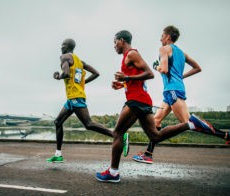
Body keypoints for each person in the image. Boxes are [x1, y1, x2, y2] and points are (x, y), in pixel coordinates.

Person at [96, 30, 215, 183]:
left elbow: (150, 74)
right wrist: (122, 84)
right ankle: (189, 124)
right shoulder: (128, 57)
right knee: (155, 136)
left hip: (136, 101)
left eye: (115, 43)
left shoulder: (132, 54)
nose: (114, 46)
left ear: (121, 41)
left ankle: (113, 173)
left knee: (118, 133)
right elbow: (137, 81)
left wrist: (126, 77)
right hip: (142, 100)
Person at [132, 25, 230, 164]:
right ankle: (148, 154)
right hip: (172, 90)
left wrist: (156, 67)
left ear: (167, 36)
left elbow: (164, 70)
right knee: (156, 120)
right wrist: (180, 77)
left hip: (172, 90)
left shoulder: (164, 49)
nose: (160, 38)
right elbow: (197, 68)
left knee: (189, 123)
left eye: (162, 35)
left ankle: (226, 135)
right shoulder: (182, 53)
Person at [46, 38, 129, 163]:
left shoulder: (64, 57)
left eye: (62, 45)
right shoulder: (80, 61)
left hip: (75, 97)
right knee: (58, 122)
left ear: (66, 46)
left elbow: (66, 73)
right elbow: (96, 73)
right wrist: (82, 82)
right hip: (72, 98)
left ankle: (119, 136)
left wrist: (58, 76)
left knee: (88, 124)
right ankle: (58, 155)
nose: (60, 48)